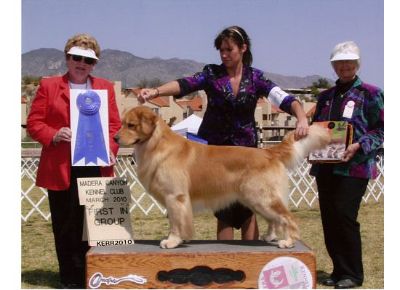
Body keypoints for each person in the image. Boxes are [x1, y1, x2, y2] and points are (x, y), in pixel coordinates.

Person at [138, 25, 309, 241]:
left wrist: (301, 116)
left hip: (245, 152)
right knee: (224, 212)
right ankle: (226, 259)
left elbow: (283, 98)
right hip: (213, 151)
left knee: (250, 208)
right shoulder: (211, 73)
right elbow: (184, 84)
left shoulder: (256, 78)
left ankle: (253, 257)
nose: (224, 54)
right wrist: (156, 91)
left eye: (229, 49)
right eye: (221, 50)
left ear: (243, 48)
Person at [27, 33, 121, 288]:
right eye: (76, 57)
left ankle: (101, 274)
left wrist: (111, 147)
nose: (82, 63)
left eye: (88, 60)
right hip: (62, 167)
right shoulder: (48, 86)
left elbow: (114, 126)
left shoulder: (105, 87)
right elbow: (34, 124)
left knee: (99, 225)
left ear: (95, 64)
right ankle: (71, 278)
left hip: (97, 165)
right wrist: (54, 134)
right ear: (67, 58)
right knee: (66, 224)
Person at [310, 41, 384, 289]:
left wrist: (360, 145)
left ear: (357, 64)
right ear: (333, 65)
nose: (344, 66)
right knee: (329, 219)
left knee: (344, 216)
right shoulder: (325, 97)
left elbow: (382, 129)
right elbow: (318, 128)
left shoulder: (372, 94)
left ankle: (353, 273)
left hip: (355, 167)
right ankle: (338, 269)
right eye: (340, 62)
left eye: (349, 62)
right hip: (326, 166)